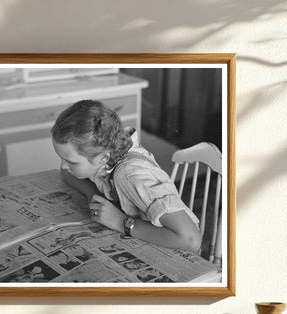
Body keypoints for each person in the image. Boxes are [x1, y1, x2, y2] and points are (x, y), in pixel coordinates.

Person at [51, 99, 201, 251]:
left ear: (102, 159)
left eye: (71, 162)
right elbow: (65, 172)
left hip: (173, 248)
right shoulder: (104, 152)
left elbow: (190, 240)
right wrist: (93, 193)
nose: (64, 165)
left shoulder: (132, 176)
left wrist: (119, 221)